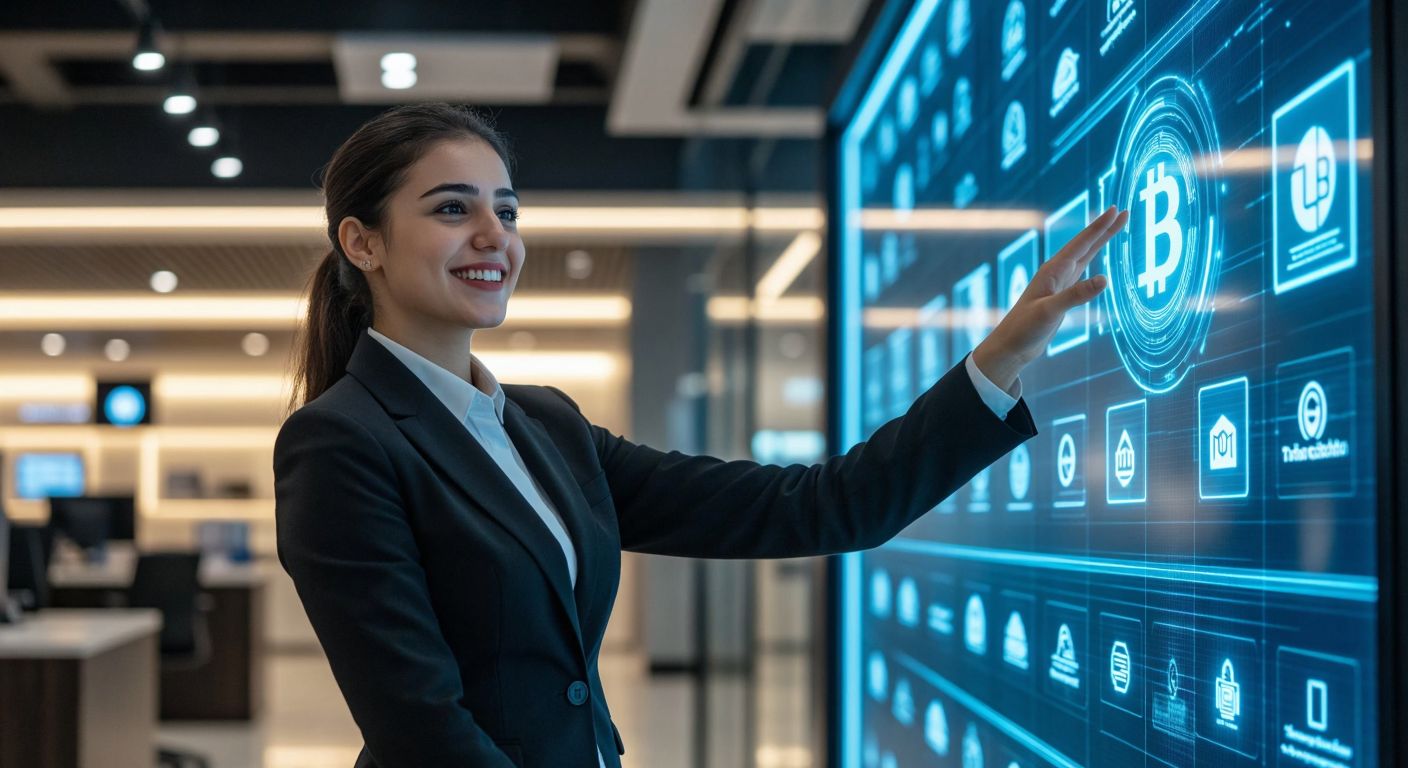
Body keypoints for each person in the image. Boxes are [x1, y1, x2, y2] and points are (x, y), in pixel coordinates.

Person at [274, 102, 1128, 768]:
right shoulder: (341, 443)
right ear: (363, 242)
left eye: (508, 209)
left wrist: (997, 360)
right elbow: (420, 726)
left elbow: (825, 508)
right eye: (452, 209)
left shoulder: (546, 426)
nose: (496, 237)